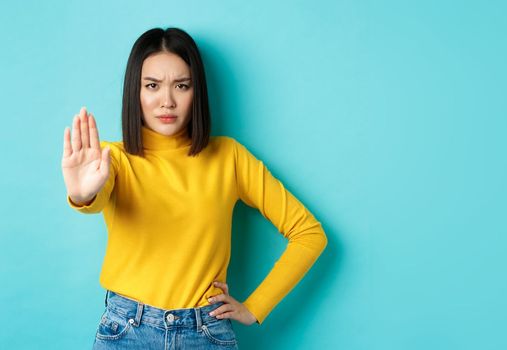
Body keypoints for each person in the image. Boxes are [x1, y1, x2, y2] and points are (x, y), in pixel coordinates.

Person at [61, 27, 328, 349]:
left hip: (204, 332)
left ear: (195, 92)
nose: (167, 101)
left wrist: (256, 306)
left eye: (181, 86)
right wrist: (81, 194)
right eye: (152, 86)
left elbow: (309, 234)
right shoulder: (112, 159)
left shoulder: (229, 157)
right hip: (127, 330)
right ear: (136, 92)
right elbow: (94, 198)